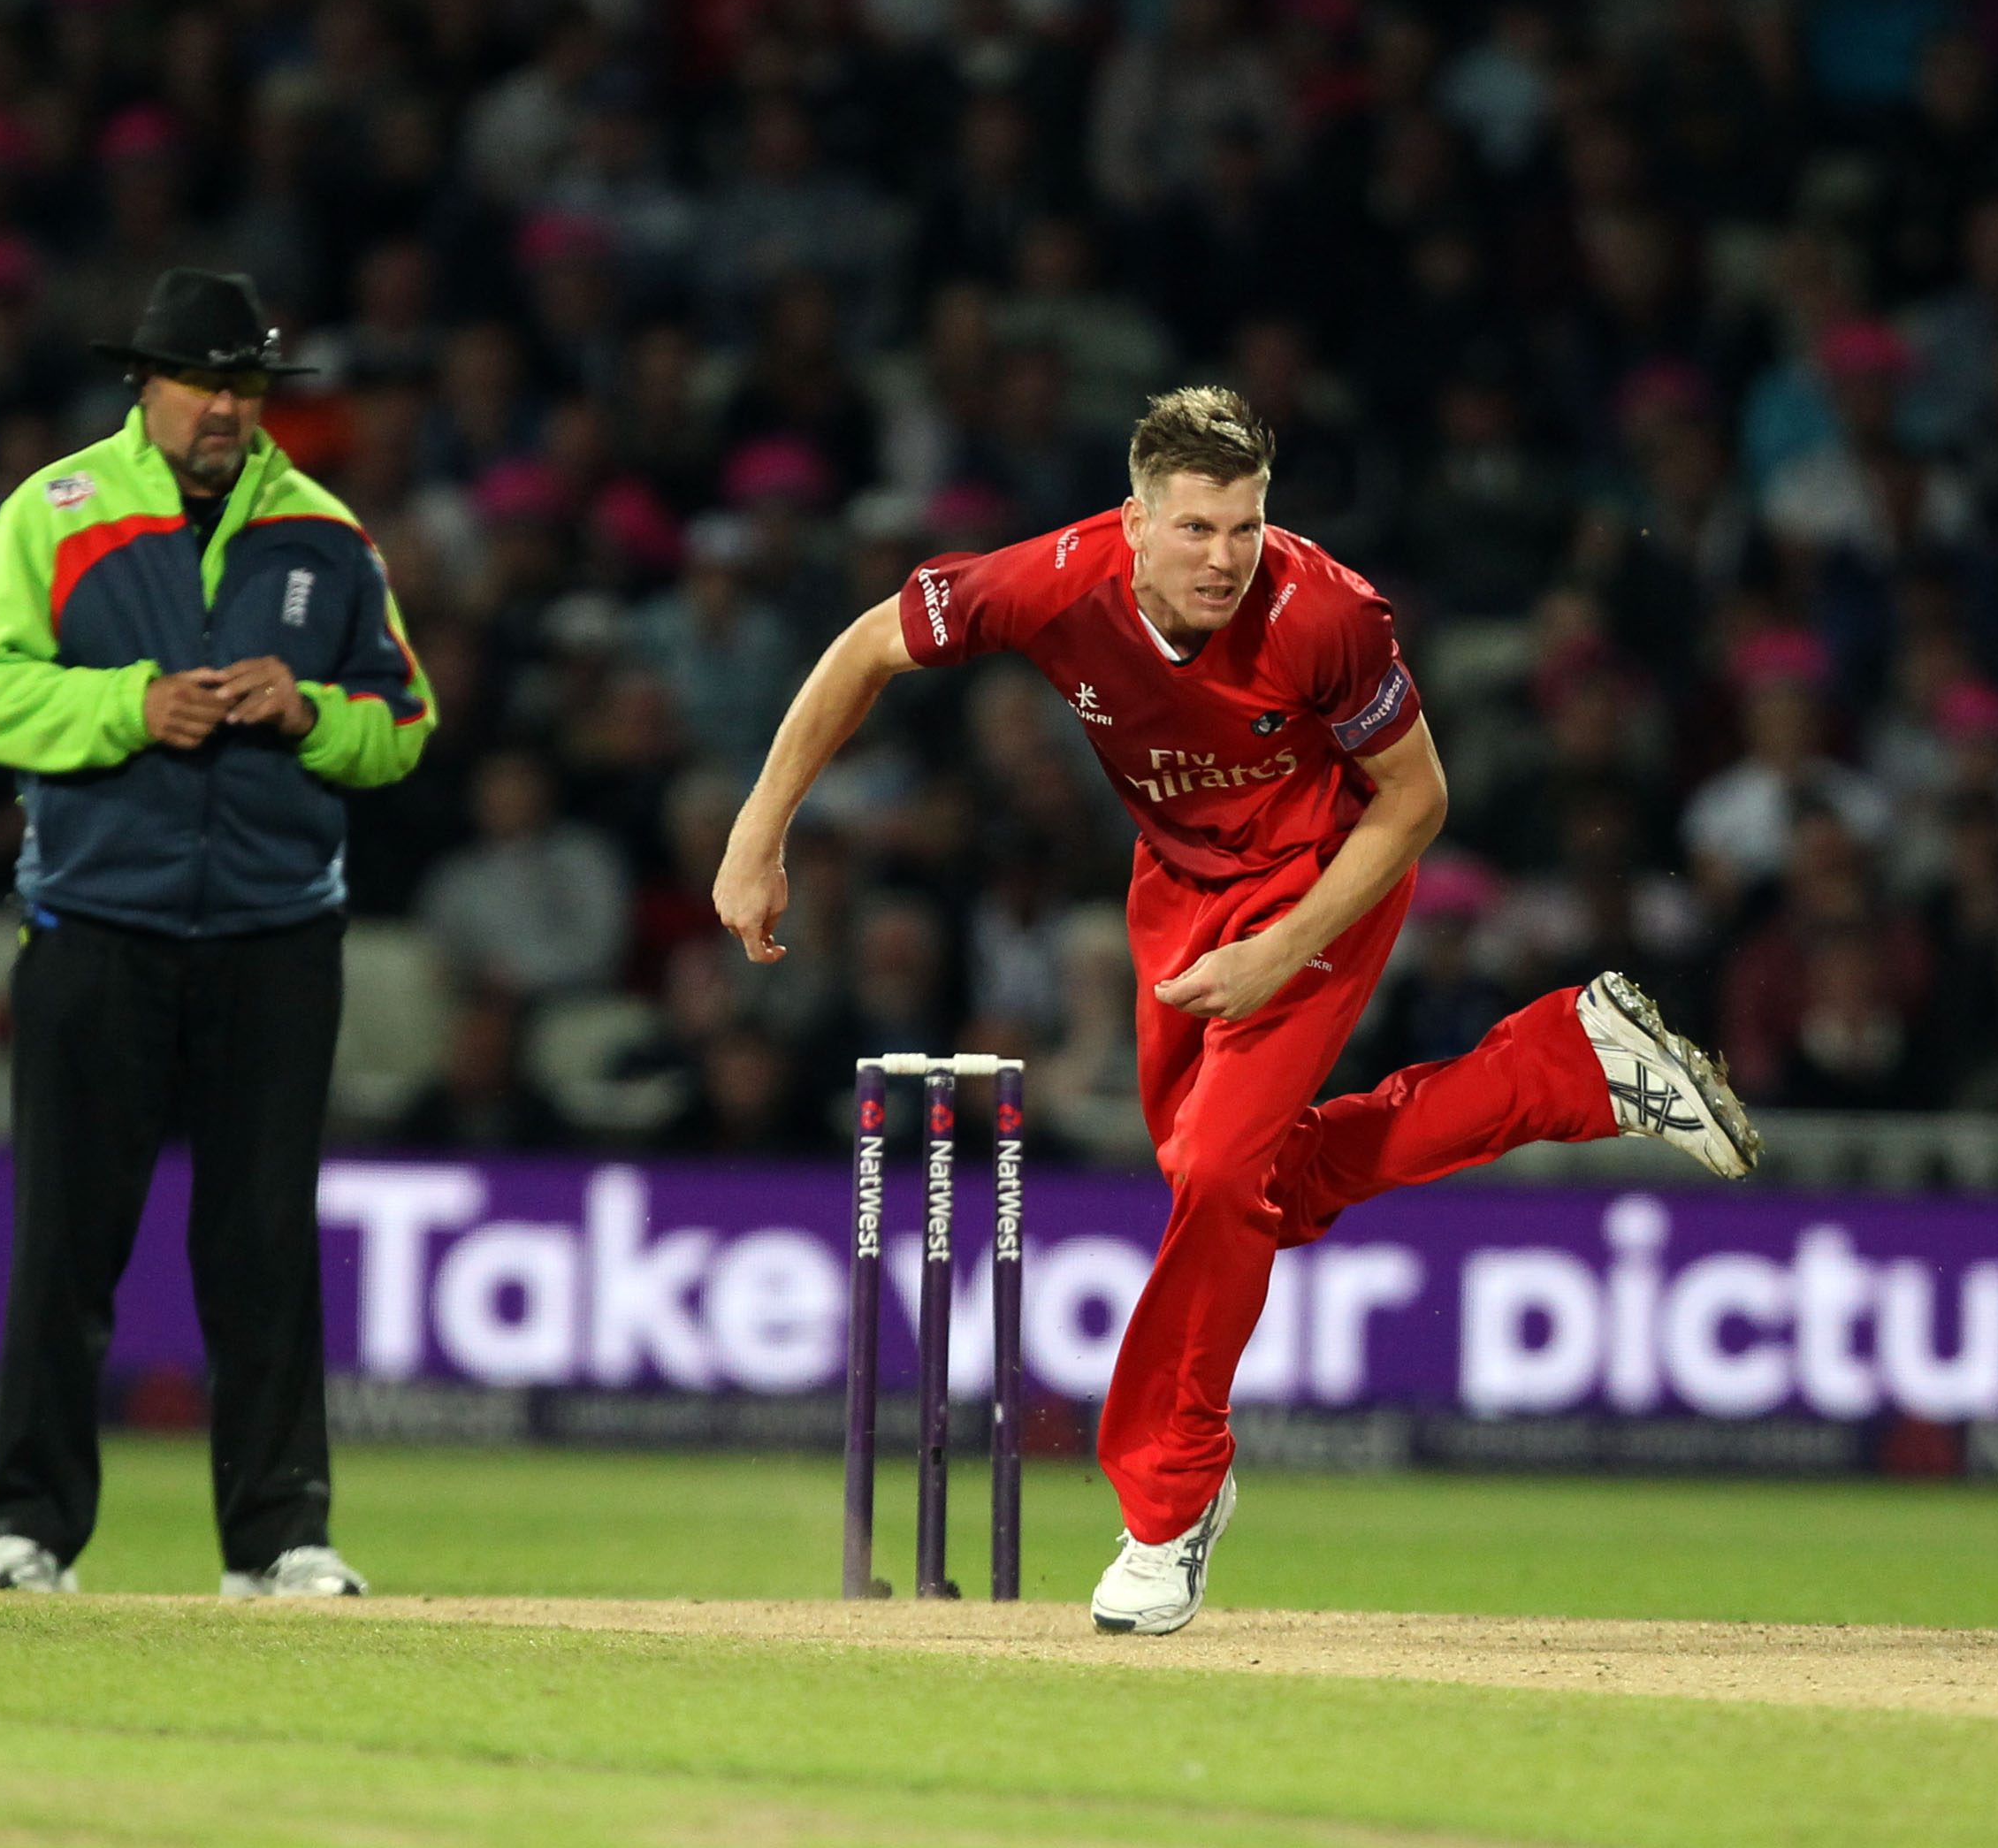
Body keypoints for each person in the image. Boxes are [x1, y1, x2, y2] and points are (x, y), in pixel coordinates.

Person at [715, 386, 1756, 1637]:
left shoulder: (1329, 613)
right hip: (1178, 889)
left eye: (1246, 528)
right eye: (1196, 529)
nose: (1224, 559)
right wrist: (759, 832)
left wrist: (1283, 949)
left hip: (1322, 881)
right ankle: (1569, 1064)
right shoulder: (1049, 582)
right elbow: (866, 648)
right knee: (1233, 1189)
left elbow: (1415, 803)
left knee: (1216, 1172)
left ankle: (1170, 1505)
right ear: (1135, 522)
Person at [0, 269, 436, 1598]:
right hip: (96, 924)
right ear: (143, 383)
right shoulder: (55, 513)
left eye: (244, 383)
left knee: (264, 1243)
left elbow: (403, 725)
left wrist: (309, 712)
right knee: (67, 1241)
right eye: (200, 380)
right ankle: (30, 1531)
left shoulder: (326, 534)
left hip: (276, 936)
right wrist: (132, 707)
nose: (224, 406)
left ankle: (280, 1541)